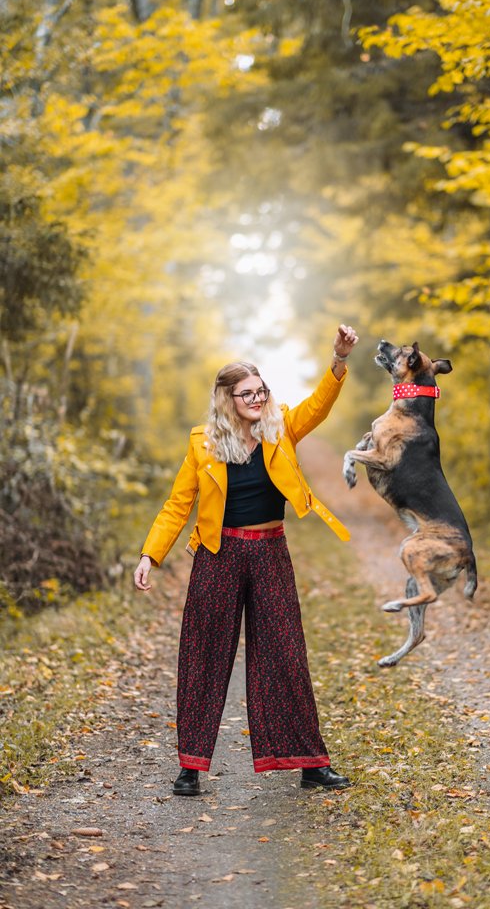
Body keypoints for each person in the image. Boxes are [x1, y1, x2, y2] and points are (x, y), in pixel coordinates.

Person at [133, 324, 358, 796]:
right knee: (202, 656)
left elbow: (319, 404)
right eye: (246, 393)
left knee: (286, 655)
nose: (257, 399)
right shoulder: (203, 443)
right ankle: (190, 766)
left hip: (271, 551)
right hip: (218, 556)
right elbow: (178, 504)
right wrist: (150, 555)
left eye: (261, 391)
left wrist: (337, 361)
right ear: (227, 399)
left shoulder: (281, 429)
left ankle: (310, 764)